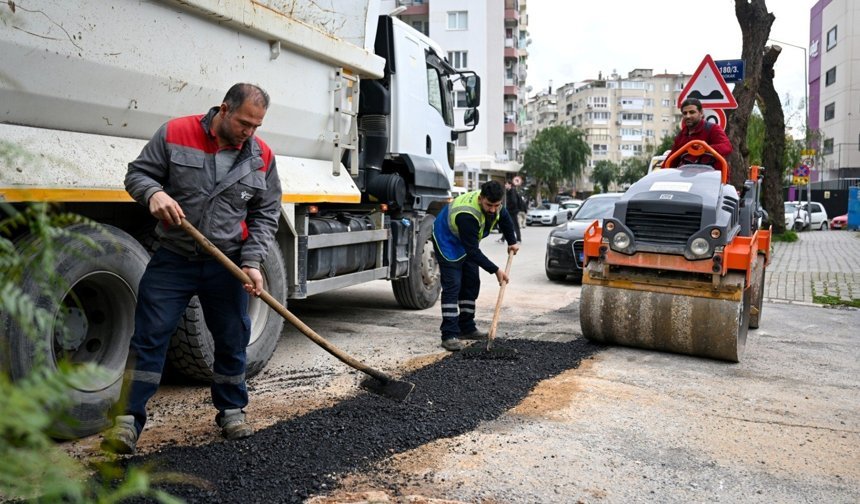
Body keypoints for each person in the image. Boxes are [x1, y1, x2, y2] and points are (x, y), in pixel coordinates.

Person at [102, 83, 282, 454]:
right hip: (175, 258)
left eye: (257, 125)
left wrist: (251, 262)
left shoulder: (261, 156)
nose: (250, 131)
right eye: (245, 122)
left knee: (232, 337)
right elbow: (138, 175)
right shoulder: (175, 133)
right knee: (149, 337)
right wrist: (153, 193)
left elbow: (266, 213)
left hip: (226, 263)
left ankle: (232, 410)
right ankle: (126, 421)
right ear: (224, 109)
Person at [432, 181, 520, 351]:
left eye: (496, 205)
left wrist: (512, 241)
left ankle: (467, 327)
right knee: (453, 286)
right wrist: (495, 270)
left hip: (466, 241)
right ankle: (449, 334)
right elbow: (472, 251)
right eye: (489, 205)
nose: (493, 209)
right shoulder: (467, 214)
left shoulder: (496, 206)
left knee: (471, 282)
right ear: (480, 199)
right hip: (447, 240)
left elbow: (505, 218)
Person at [666, 97, 733, 167]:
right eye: (685, 113)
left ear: (701, 113)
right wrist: (662, 173)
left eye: (692, 112)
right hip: (688, 174)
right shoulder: (681, 135)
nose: (688, 116)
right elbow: (671, 159)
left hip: (711, 175)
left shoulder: (712, 129)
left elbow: (727, 147)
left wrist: (706, 148)